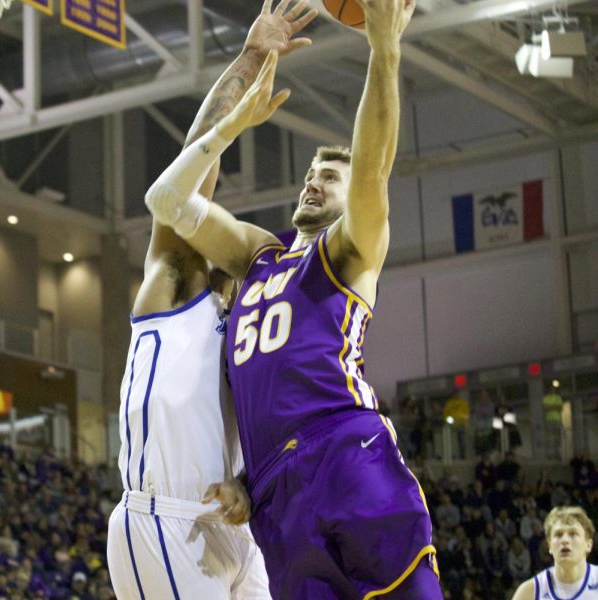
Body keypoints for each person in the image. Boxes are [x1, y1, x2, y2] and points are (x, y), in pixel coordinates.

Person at [143, 0, 439, 593]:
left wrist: (384, 50)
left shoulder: (350, 249)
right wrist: (241, 92)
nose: (313, 180)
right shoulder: (259, 255)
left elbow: (374, 169)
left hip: (347, 450)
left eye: (330, 176)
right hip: (274, 489)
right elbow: (166, 203)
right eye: (311, 172)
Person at [106, 3, 318, 597]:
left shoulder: (259, 333)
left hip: (235, 527)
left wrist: (249, 485)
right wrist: (252, 58)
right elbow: (190, 169)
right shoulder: (177, 284)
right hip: (165, 519)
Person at [511, 506, 597, 600]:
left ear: (588, 545)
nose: (565, 540)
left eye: (573, 534)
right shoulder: (529, 592)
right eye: (558, 534)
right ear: (550, 546)